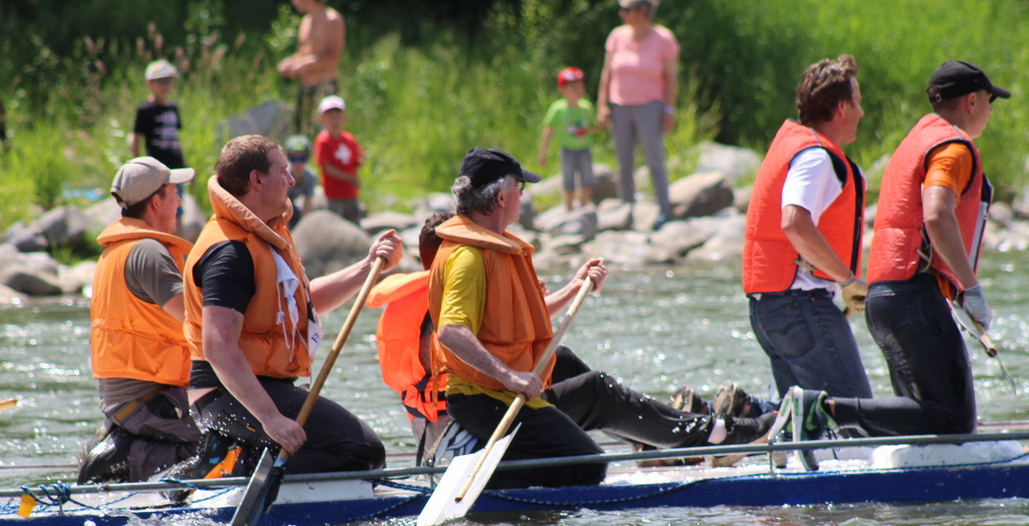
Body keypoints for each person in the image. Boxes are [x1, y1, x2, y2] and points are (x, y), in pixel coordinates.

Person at [423, 149, 775, 489]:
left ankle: (691, 437)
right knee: (588, 465)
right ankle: (476, 464)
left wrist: (576, 289)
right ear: (501, 197)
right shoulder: (469, 257)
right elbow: (452, 331)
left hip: (505, 391)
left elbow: (517, 322)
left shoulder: (492, 246)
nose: (522, 197)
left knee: (574, 368)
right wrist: (510, 376)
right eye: (520, 188)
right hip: (487, 401)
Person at [791, 60, 1010, 444]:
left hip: (886, 299)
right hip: (911, 300)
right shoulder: (952, 149)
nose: (991, 111)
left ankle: (832, 421)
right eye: (991, 102)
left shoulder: (917, 139)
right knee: (953, 422)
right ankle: (821, 411)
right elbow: (938, 215)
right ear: (972, 101)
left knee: (927, 423)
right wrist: (972, 288)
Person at [182, 134, 402, 477]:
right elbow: (218, 346)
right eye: (282, 171)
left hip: (262, 387)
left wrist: (367, 268)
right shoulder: (230, 251)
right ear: (257, 180)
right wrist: (271, 419)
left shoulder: (267, 233)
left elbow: (305, 303)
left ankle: (241, 459)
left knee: (361, 451)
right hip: (223, 394)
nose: (292, 179)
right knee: (361, 451)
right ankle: (228, 471)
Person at [742, 55, 871, 400]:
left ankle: (739, 417)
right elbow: (794, 221)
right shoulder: (816, 157)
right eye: (857, 103)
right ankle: (737, 417)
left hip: (771, 308)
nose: (862, 112)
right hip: (801, 306)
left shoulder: (798, 148)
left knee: (802, 420)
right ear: (841, 108)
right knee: (852, 416)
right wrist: (846, 280)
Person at [78, 157, 200, 484]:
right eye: (175, 192)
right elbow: (201, 323)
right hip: (146, 402)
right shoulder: (148, 251)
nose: (179, 201)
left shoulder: (116, 251)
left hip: (126, 403)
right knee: (230, 440)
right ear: (156, 201)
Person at [596, 0, 678, 228]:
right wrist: (602, 106)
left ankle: (664, 209)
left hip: (650, 105)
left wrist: (669, 110)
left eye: (626, 10)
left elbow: (671, 79)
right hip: (620, 105)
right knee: (624, 159)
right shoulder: (617, 36)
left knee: (654, 158)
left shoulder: (663, 38)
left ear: (642, 12)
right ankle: (627, 207)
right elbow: (606, 75)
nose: (621, 14)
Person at [277, 0, 345, 134]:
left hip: (324, 87)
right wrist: (289, 63)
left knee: (324, 135)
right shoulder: (305, 21)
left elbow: (333, 58)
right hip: (305, 87)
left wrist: (305, 65)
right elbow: (302, 53)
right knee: (301, 134)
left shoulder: (332, 20)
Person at [538, 67, 598, 210]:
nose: (578, 90)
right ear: (563, 89)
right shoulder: (558, 109)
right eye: (574, 87)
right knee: (568, 180)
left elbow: (594, 127)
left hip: (585, 149)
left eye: (580, 86)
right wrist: (543, 152)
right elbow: (549, 130)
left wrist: (593, 127)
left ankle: (585, 206)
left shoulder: (586, 107)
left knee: (587, 179)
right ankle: (569, 207)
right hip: (567, 150)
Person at [314, 95, 363, 225]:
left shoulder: (349, 139)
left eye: (338, 117)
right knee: (336, 225)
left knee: (354, 224)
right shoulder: (323, 141)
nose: (334, 121)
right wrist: (349, 178)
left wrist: (359, 161)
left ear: (344, 119)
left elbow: (356, 158)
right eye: (330, 117)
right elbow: (326, 167)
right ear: (322, 119)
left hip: (351, 192)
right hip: (333, 194)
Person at [131, 60, 186, 172]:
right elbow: (135, 142)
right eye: (161, 82)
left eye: (168, 81)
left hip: (176, 168)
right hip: (156, 170)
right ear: (149, 83)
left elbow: (176, 140)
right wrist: (139, 169)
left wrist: (185, 165)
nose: (165, 86)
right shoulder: (145, 110)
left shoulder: (173, 108)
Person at [284, 134, 318, 227]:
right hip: (278, 204)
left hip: (293, 204)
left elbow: (308, 204)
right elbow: (280, 205)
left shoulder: (310, 176)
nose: (298, 163)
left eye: (302, 158)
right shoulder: (283, 175)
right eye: (293, 158)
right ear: (287, 158)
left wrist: (304, 226)